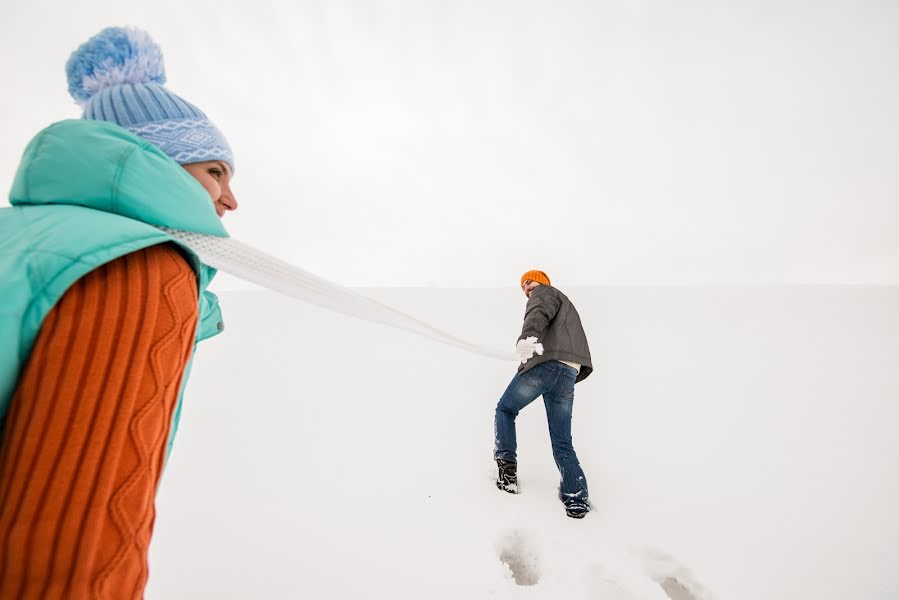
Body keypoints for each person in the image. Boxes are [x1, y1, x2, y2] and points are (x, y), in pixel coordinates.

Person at [0, 27, 237, 598]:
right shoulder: (139, 263)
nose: (230, 200)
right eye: (214, 172)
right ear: (159, 161)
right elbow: (69, 556)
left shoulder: (20, 239)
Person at [494, 270, 593, 519]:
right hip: (568, 372)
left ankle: (507, 474)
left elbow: (538, 313)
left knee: (505, 410)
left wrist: (526, 338)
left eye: (530, 281)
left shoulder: (545, 293)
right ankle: (576, 498)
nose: (527, 288)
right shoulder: (565, 305)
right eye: (523, 286)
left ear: (543, 282)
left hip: (547, 366)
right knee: (562, 441)